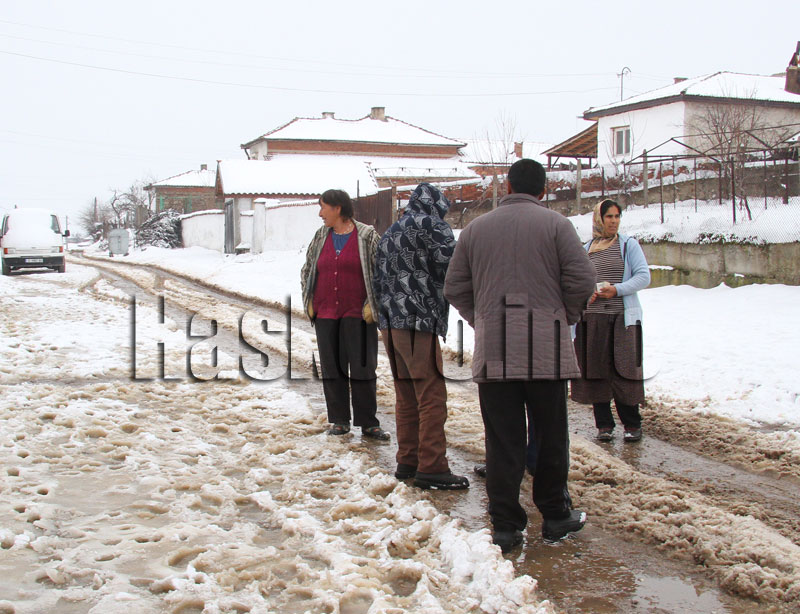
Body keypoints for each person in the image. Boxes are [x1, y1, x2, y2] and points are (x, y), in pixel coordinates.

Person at [444, 159, 596, 553]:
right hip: (546, 349)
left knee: (502, 441)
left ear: (507, 187)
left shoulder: (475, 229)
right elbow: (583, 280)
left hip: (496, 351)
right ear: (543, 190)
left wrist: (484, 319)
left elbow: (455, 286)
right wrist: (563, 317)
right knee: (549, 438)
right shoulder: (558, 226)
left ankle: (506, 527)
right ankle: (555, 517)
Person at [373, 183, 469, 490]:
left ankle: (408, 460)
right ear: (437, 205)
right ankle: (433, 466)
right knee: (431, 397)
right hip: (418, 322)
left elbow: (377, 279)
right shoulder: (434, 227)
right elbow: (453, 271)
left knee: (407, 396)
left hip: (390, 325)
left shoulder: (391, 231)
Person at [301, 189, 390, 440]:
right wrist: (309, 300)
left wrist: (374, 304)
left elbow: (381, 271)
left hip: (358, 313)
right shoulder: (321, 236)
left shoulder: (366, 236)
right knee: (333, 368)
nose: (320, 213)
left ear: (337, 208)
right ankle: (339, 420)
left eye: (323, 207)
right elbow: (308, 269)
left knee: (363, 368)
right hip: (326, 312)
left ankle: (369, 423)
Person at [571, 199, 650, 443]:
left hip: (621, 319)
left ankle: (632, 423)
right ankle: (604, 425)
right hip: (593, 320)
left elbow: (643, 277)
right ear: (598, 219)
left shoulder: (628, 246)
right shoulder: (587, 249)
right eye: (609, 217)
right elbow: (579, 283)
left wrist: (616, 290)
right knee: (596, 372)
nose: (614, 221)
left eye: (617, 216)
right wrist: (588, 294)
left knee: (625, 371)